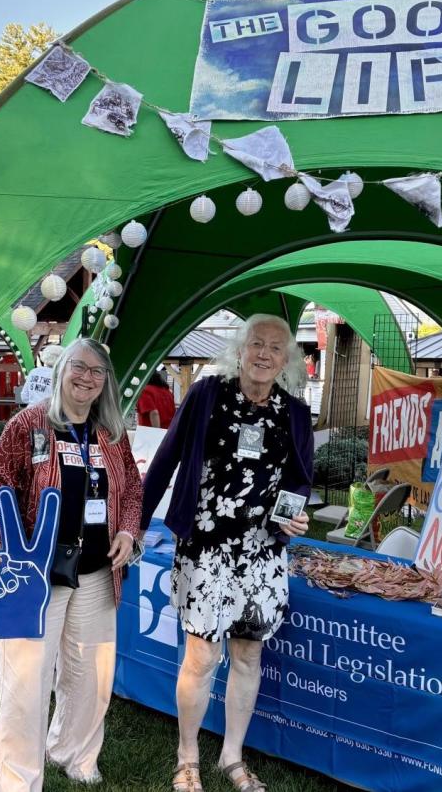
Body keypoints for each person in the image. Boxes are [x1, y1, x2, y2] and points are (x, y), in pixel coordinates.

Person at [141, 314, 314, 792]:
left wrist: (292, 518)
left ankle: (231, 757)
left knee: (248, 654)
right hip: (206, 547)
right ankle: (187, 757)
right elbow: (166, 458)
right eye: (255, 343)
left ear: (286, 361)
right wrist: (134, 524)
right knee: (201, 655)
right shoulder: (206, 394)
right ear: (239, 350)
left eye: (275, 348)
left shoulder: (295, 413)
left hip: (261, 555)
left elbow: (301, 479)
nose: (263, 354)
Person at [0, 337, 143, 789]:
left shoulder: (111, 432)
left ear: (106, 382)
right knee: (25, 683)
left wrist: (128, 532)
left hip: (97, 574)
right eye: (79, 367)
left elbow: (133, 491)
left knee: (91, 675)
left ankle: (75, 755)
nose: (87, 378)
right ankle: (17, 779)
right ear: (63, 369)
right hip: (34, 576)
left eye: (97, 372)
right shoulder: (29, 424)